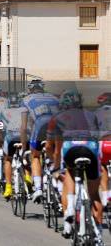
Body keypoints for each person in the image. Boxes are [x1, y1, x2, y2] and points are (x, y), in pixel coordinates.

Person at [48, 89, 102, 240]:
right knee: (94, 194)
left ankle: (69, 215)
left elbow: (56, 149)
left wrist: (56, 167)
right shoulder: (91, 115)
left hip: (70, 148)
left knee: (69, 177)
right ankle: (98, 234)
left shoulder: (57, 118)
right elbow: (97, 137)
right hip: (90, 148)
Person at [20, 79, 60, 203]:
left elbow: (24, 126)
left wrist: (23, 147)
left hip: (40, 126)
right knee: (55, 156)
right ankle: (58, 185)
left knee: (35, 156)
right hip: (56, 127)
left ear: (30, 89)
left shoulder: (26, 100)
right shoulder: (54, 98)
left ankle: (38, 188)